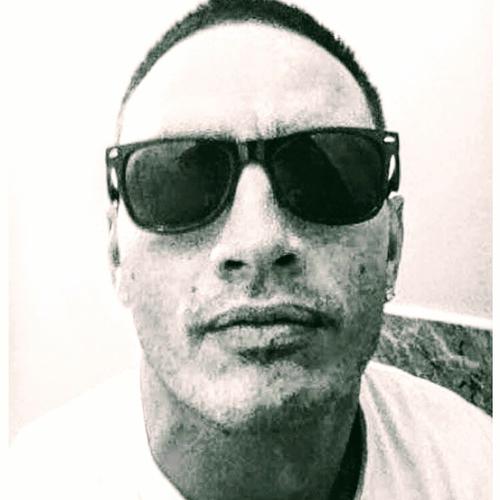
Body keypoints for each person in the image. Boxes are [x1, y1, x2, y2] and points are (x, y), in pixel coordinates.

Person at [11, 1, 491, 499]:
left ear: (392, 245)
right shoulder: (31, 483)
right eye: (180, 184)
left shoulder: (476, 469)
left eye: (324, 176)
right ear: (117, 255)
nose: (258, 242)